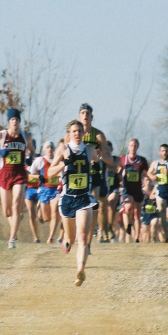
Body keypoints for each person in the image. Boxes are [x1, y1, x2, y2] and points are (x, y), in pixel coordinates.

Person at [48, 120, 112, 286]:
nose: (77, 134)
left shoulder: (89, 149)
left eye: (79, 131)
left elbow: (100, 162)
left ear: (84, 133)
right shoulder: (63, 149)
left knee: (82, 237)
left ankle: (80, 271)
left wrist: (98, 169)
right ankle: (67, 241)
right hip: (68, 198)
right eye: (74, 131)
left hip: (84, 198)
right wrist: (64, 163)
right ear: (69, 134)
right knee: (71, 238)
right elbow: (49, 173)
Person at [0, 108, 33, 248]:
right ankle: (14, 225)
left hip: (19, 174)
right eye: (12, 120)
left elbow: (31, 150)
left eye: (17, 120)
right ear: (8, 122)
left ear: (20, 121)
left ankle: (12, 240)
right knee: (7, 211)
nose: (14, 122)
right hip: (4, 173)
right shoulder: (1, 136)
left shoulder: (25, 137)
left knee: (16, 204)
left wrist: (29, 158)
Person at [77, 103, 113, 246]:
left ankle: (89, 241)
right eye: (83, 113)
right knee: (78, 206)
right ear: (79, 116)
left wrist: (101, 155)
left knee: (93, 205)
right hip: (77, 174)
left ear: (92, 117)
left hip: (93, 173)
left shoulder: (98, 135)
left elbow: (109, 158)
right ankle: (78, 234)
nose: (85, 115)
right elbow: (64, 151)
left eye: (88, 113)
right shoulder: (73, 133)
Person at [30, 141, 61, 244]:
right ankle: (40, 210)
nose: (50, 149)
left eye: (51, 147)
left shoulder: (59, 161)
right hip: (44, 190)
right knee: (46, 218)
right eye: (47, 147)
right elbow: (31, 175)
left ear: (54, 149)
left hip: (56, 190)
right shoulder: (39, 160)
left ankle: (50, 238)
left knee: (55, 212)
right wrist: (39, 177)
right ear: (44, 149)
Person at [121, 138, 149, 242]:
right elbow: (117, 170)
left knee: (137, 213)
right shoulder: (123, 159)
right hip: (127, 189)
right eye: (131, 145)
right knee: (127, 207)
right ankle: (128, 223)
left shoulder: (142, 160)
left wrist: (151, 177)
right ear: (128, 147)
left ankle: (137, 237)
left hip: (137, 189)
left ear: (138, 147)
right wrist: (120, 174)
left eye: (135, 146)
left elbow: (146, 173)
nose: (133, 148)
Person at [24, 138, 41, 243]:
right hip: (29, 189)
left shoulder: (39, 158)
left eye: (32, 146)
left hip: (40, 188)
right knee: (31, 213)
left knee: (41, 215)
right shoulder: (23, 159)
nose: (30, 149)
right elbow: (28, 173)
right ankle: (36, 237)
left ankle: (42, 215)